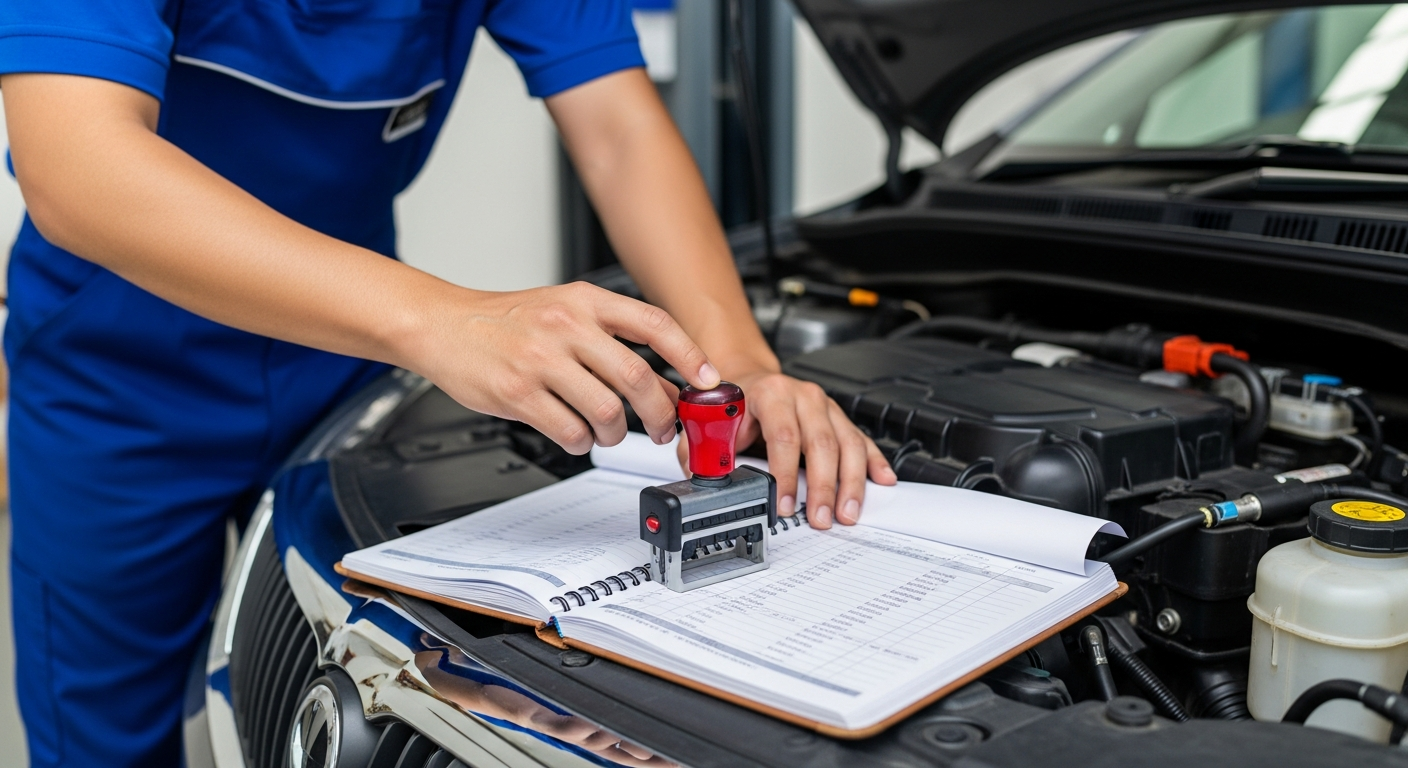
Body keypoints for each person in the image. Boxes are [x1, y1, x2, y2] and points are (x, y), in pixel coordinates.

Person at [0, 1, 896, 765]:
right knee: (105, 735)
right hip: (118, 379)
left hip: (341, 362)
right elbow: (75, 163)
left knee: (311, 684)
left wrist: (738, 365)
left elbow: (620, 131)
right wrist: (438, 321)